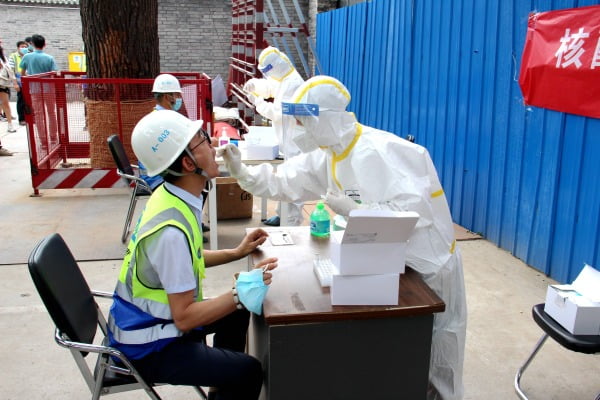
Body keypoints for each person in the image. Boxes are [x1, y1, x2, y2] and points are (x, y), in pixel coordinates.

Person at [219, 75, 467, 400]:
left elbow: (413, 214)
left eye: (305, 122)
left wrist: (355, 209)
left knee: (438, 360)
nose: (300, 130)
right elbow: (284, 181)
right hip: (386, 263)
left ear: (327, 117)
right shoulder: (329, 155)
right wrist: (242, 172)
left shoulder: (383, 150)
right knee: (401, 355)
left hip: (429, 268)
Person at [107, 109, 277, 400]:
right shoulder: (170, 233)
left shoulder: (172, 195)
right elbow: (184, 318)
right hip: (150, 345)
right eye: (204, 142)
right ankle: (229, 380)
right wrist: (240, 291)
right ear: (188, 163)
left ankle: (221, 385)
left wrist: (237, 252)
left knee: (237, 313)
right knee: (249, 370)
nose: (212, 148)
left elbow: (188, 260)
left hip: (149, 325)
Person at [243, 46, 305, 227]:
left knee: (293, 181)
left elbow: (277, 113)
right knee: (285, 179)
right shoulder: (284, 78)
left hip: (294, 141)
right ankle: (282, 215)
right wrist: (256, 85)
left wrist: (257, 102)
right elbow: (271, 87)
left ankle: (291, 222)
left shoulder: (293, 83)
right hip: (286, 138)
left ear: (276, 66)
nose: (267, 75)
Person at [19, 34, 58, 137]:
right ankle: (53, 137)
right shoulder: (49, 58)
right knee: (51, 113)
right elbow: (54, 73)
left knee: (39, 115)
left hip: (34, 89)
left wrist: (31, 75)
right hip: (49, 89)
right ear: (45, 44)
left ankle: (43, 140)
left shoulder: (27, 57)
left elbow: (22, 73)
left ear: (32, 44)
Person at [0, 39, 19, 138]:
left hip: (3, 84)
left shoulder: (4, 59)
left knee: (5, 104)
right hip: (3, 83)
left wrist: (15, 83)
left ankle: (10, 124)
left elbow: (11, 72)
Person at [8, 41, 29, 126]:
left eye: (25, 47)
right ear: (18, 47)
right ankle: (22, 119)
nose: (24, 48)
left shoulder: (29, 55)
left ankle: (29, 117)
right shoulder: (13, 56)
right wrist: (15, 83)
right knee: (21, 101)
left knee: (29, 101)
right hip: (20, 82)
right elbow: (11, 71)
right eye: (22, 46)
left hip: (29, 82)